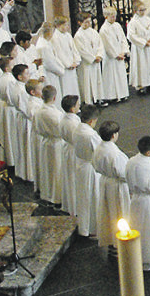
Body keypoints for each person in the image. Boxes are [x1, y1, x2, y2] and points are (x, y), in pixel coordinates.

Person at [125, 136, 150, 271]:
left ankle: (137, 255)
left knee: (137, 227)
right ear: (149, 152)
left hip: (135, 199)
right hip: (149, 201)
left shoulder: (131, 161)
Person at [93, 120, 130, 251]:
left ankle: (110, 238)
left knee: (107, 212)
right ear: (114, 135)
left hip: (104, 182)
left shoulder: (99, 148)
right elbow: (123, 173)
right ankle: (119, 241)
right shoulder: (115, 154)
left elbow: (95, 166)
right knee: (119, 212)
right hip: (116, 186)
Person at [33, 85, 65, 205]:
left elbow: (35, 128)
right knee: (56, 171)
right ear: (55, 98)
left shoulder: (38, 111)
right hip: (56, 144)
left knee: (47, 170)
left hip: (45, 142)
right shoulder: (55, 114)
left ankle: (46, 193)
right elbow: (61, 130)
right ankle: (56, 196)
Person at [71, 109, 101, 237]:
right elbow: (99, 152)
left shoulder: (77, 128)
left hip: (80, 165)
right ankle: (92, 228)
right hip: (90, 167)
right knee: (92, 198)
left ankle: (84, 226)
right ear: (91, 121)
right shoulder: (91, 135)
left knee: (83, 197)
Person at [99, 6, 130, 102]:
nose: (114, 18)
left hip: (120, 54)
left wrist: (124, 50)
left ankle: (122, 93)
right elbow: (107, 45)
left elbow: (122, 39)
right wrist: (116, 55)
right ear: (106, 16)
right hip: (111, 58)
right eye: (111, 16)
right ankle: (111, 96)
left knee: (120, 75)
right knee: (111, 76)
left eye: (114, 16)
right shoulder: (104, 29)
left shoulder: (117, 26)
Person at [126, 2, 150, 93]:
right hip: (140, 48)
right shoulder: (133, 22)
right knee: (141, 65)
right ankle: (140, 85)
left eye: (144, 9)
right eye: (141, 10)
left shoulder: (148, 19)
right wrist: (144, 42)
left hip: (149, 46)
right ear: (135, 11)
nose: (143, 12)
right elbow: (131, 35)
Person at [73, 13, 104, 105]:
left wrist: (99, 55)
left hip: (96, 61)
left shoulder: (94, 32)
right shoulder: (78, 36)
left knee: (97, 80)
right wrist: (93, 58)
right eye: (85, 22)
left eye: (89, 22)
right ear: (79, 23)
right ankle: (88, 101)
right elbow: (81, 50)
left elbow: (100, 44)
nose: (88, 24)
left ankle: (98, 98)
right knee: (86, 82)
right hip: (87, 63)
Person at [51, 17, 81, 99]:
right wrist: (68, 64)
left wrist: (76, 61)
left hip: (73, 65)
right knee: (66, 87)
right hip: (65, 68)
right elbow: (59, 53)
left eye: (67, 25)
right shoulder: (55, 37)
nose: (67, 27)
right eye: (64, 25)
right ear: (57, 25)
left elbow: (74, 49)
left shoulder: (68, 35)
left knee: (74, 86)